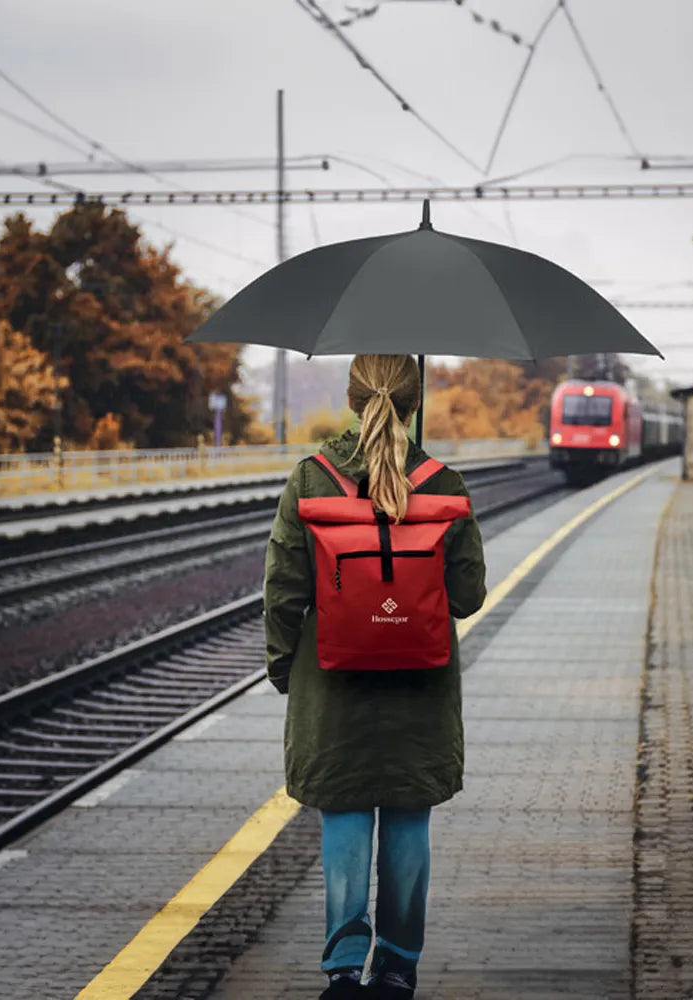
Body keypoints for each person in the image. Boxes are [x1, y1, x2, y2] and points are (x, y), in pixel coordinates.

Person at [264, 353, 487, 999]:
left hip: (333, 689)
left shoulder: (310, 479)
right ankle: (395, 967)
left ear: (353, 398)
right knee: (409, 819)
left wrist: (286, 674)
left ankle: (341, 970)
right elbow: (467, 595)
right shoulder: (445, 483)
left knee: (345, 815)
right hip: (420, 687)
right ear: (414, 402)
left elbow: (282, 594)